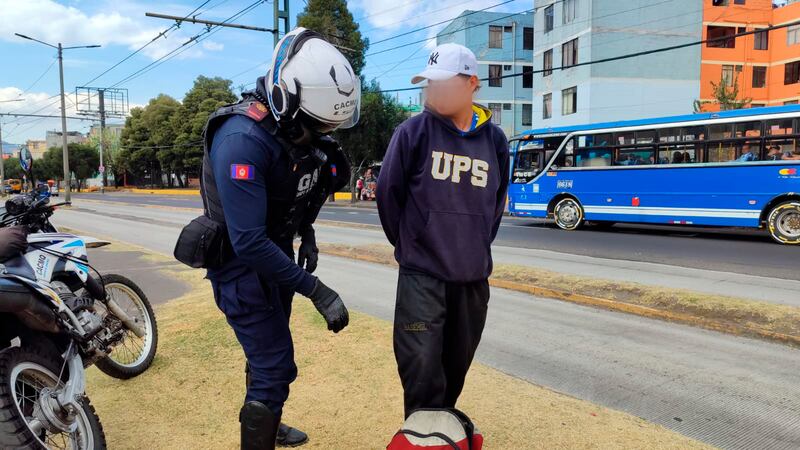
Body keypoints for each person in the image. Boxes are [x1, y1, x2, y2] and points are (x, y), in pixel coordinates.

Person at [200, 27, 358, 449]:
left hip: (278, 259)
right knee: (274, 366)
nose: (325, 131)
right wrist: (317, 291)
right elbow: (249, 241)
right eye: (319, 123)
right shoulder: (240, 141)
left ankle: (268, 416)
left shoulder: (295, 132)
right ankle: (261, 427)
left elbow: (299, 189)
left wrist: (307, 233)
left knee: (265, 360)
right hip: (240, 267)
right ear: (286, 98)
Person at [376, 43, 510, 418]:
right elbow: (389, 196)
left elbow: (496, 202)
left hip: (472, 279)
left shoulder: (496, 142)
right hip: (423, 275)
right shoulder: (412, 132)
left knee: (456, 365)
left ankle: (442, 431)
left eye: (442, 84)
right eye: (429, 85)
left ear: (471, 84)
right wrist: (414, 244)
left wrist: (475, 243)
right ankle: (420, 435)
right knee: (420, 366)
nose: (432, 92)